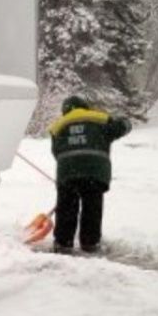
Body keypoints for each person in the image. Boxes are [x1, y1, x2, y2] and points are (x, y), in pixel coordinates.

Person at [48, 96, 132, 254]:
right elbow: (121, 127)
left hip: (68, 173)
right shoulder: (99, 119)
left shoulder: (58, 126)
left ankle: (63, 244)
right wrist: (125, 122)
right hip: (95, 172)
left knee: (66, 208)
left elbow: (56, 151)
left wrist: (72, 167)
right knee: (92, 208)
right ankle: (90, 243)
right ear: (84, 106)